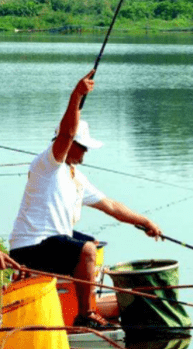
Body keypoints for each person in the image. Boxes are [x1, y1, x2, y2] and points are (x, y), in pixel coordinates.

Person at [9, 69, 163, 328]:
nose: (86, 152)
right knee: (86, 251)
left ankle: (74, 299)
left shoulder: (75, 176)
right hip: (30, 247)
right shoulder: (48, 164)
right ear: (71, 145)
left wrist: (145, 221)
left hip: (52, 242)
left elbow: (111, 206)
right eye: (84, 146)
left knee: (92, 243)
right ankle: (86, 314)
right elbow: (67, 134)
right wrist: (76, 95)